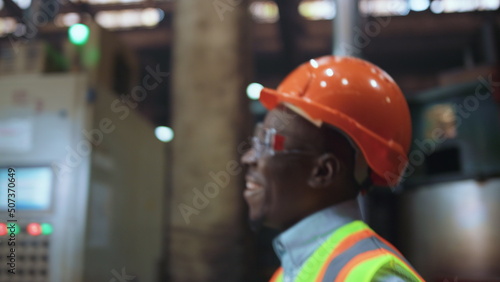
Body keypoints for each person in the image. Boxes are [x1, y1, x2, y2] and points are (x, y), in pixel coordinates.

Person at [241, 56, 424, 282]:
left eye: (266, 143)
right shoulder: (287, 274)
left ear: (323, 171)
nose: (248, 158)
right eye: (255, 142)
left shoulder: (375, 276)